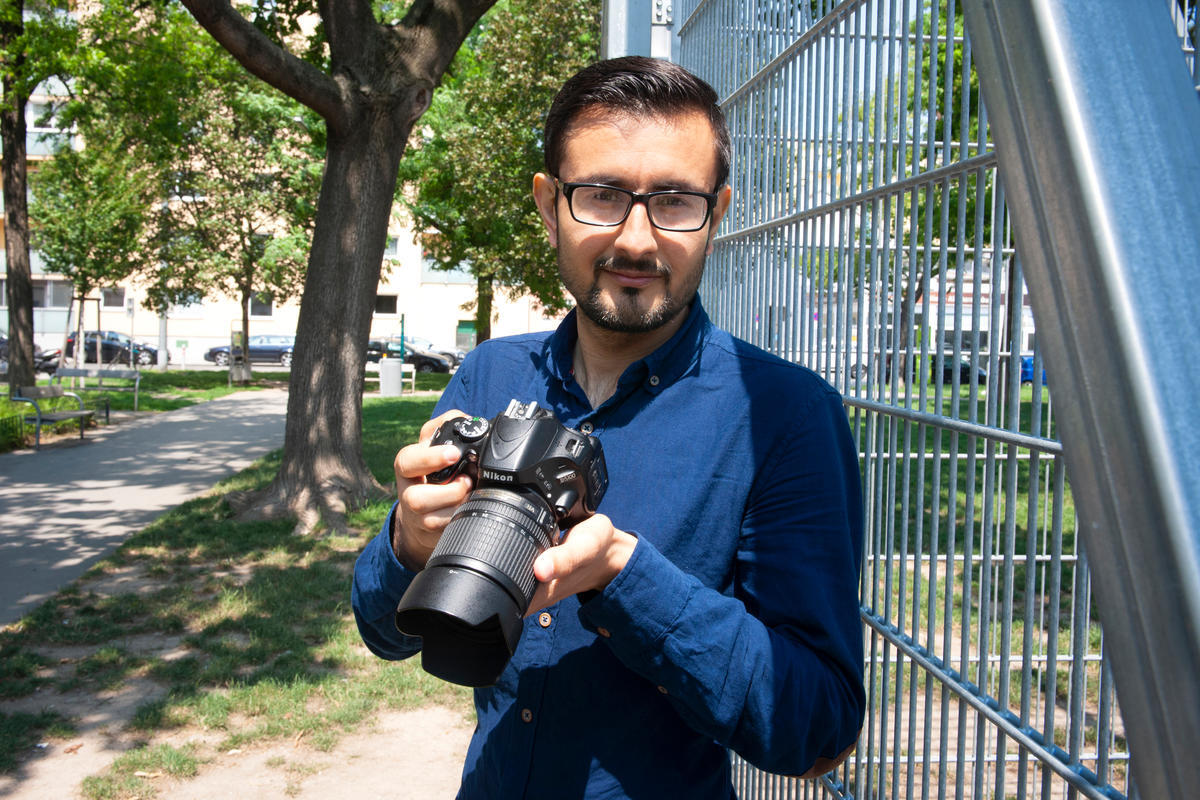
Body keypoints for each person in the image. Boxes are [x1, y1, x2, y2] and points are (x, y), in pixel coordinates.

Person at [353, 56, 865, 799]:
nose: (635, 240)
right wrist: (407, 542)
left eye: (675, 203)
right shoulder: (489, 377)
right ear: (547, 204)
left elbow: (818, 732)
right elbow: (383, 631)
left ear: (716, 216)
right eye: (601, 195)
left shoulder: (784, 417)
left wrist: (625, 577)